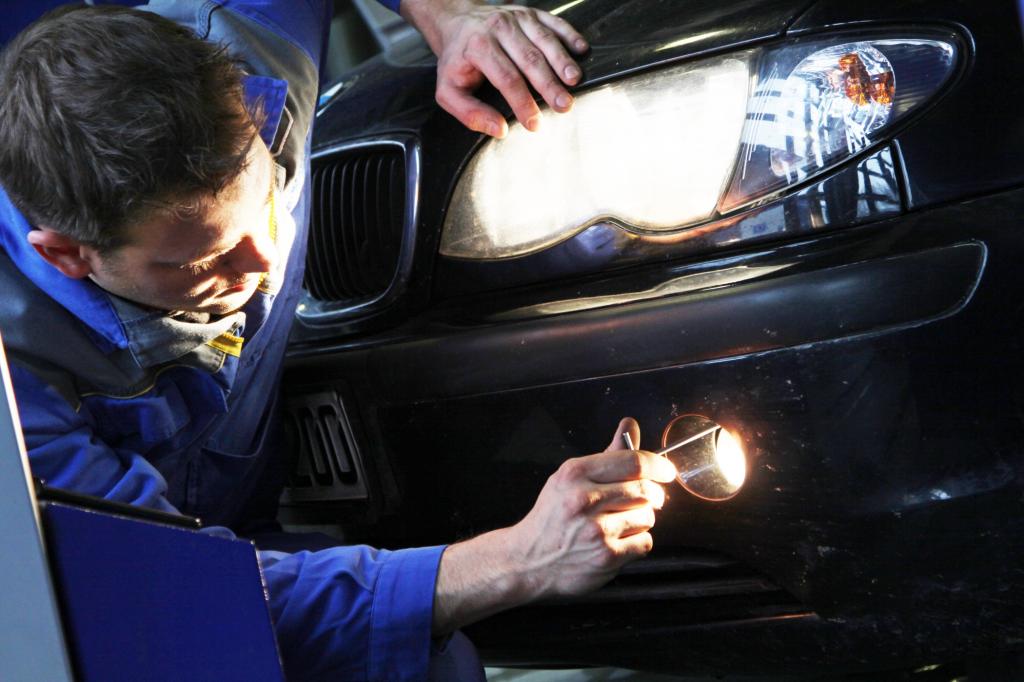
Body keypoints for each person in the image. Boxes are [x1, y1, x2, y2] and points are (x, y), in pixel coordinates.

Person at [0, 2, 678, 680]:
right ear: (66, 255)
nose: (264, 263)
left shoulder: (247, 44)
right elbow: (181, 597)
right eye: (202, 260)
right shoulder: (16, 384)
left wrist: (453, 17)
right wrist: (518, 560)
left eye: (264, 199)